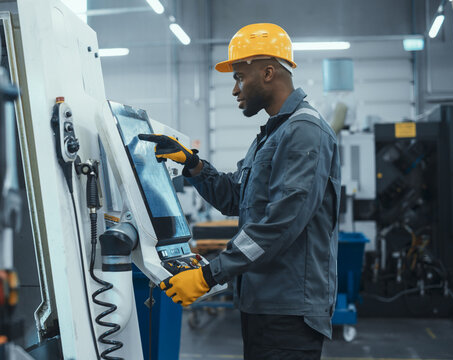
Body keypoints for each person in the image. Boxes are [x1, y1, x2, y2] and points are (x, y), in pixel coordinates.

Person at [139, 23, 341, 359]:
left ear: (268, 72)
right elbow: (237, 197)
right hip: (264, 303)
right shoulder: (271, 135)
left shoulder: (304, 132)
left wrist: (207, 275)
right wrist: (193, 165)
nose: (235, 89)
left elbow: (279, 225)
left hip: (287, 311)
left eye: (238, 77)